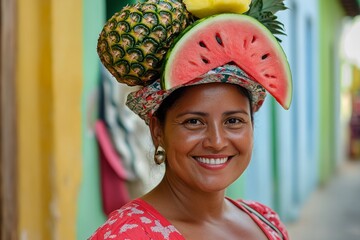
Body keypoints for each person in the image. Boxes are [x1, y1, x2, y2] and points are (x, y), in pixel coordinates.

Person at [91, 0, 291, 239]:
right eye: (194, 122)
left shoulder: (264, 220)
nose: (216, 142)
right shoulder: (127, 235)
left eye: (233, 121)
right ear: (157, 130)